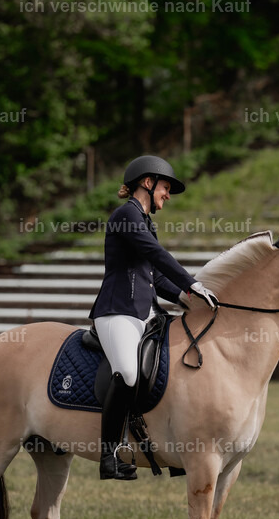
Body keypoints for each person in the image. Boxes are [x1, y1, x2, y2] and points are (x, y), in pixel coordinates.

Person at [90, 155, 218, 481]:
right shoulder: (125, 216)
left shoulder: (145, 221)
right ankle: (109, 457)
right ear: (147, 183)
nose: (168, 195)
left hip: (146, 313)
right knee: (128, 372)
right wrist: (193, 283)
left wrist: (184, 299)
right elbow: (156, 256)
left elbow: (154, 278)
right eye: (165, 187)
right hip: (117, 312)